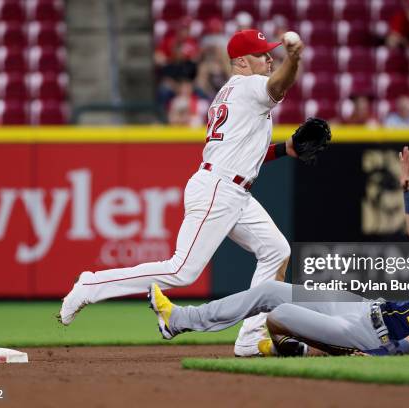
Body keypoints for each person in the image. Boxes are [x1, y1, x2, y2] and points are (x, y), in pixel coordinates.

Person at [59, 29, 306, 357]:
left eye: (271, 53)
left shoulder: (228, 93)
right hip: (221, 189)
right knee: (181, 270)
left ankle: (250, 337)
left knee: (276, 250)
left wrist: (285, 149)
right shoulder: (250, 85)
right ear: (242, 62)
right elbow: (280, 85)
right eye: (263, 55)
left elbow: (243, 152)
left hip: (230, 187)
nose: (269, 58)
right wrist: (295, 58)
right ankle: (91, 285)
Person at [149, 146, 409, 357]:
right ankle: (178, 321)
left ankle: (297, 350)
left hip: (369, 336)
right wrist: (407, 191)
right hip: (363, 307)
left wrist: (387, 353)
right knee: (269, 290)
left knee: (278, 317)